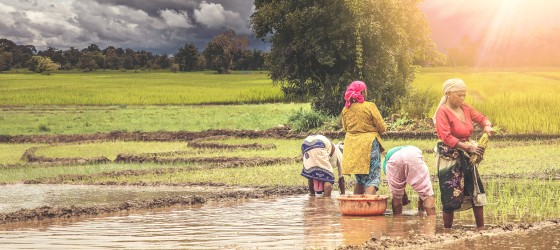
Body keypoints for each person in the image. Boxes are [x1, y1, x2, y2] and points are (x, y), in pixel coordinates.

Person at [433, 78, 494, 229]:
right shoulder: (443, 112)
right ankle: (447, 231)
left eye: (464, 95)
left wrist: (487, 126)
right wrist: (468, 148)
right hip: (450, 157)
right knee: (450, 193)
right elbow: (446, 136)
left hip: (467, 155)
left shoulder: (465, 108)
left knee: (475, 189)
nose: (462, 98)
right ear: (448, 94)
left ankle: (481, 229)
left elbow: (481, 118)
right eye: (459, 95)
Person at [341, 80, 387, 195]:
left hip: (352, 146)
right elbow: (382, 127)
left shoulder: (346, 109)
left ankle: (356, 208)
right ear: (363, 92)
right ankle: (368, 207)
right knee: (372, 178)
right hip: (369, 144)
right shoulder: (369, 106)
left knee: (360, 180)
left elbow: (345, 128)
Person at [382, 145, 436, 216]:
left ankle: (397, 222)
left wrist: (400, 196)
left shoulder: (386, 165)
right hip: (413, 155)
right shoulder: (409, 149)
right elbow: (422, 192)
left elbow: (398, 187)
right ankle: (431, 222)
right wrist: (421, 209)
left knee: (396, 196)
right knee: (426, 192)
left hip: (394, 159)